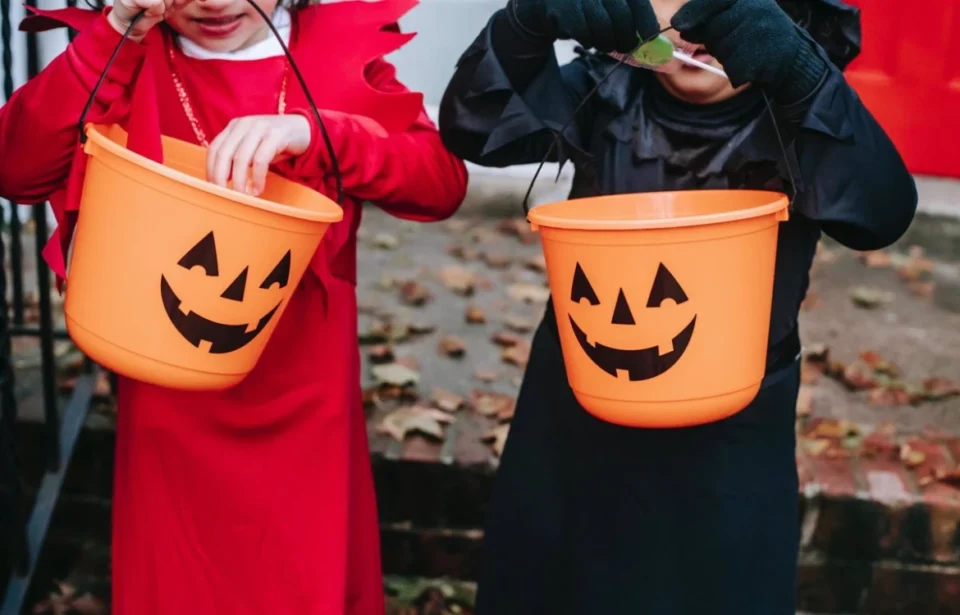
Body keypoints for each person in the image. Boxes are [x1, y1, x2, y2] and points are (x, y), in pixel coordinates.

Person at [439, 0, 916, 613]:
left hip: (730, 437)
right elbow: (475, 126)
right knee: (553, 582)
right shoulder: (602, 90)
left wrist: (805, 77)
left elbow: (881, 212)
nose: (696, 25)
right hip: (579, 404)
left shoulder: (800, 112)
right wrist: (525, 22)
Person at [0, 0, 467, 611]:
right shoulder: (127, 51)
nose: (215, 1)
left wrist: (320, 132)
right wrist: (110, 40)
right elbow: (18, 169)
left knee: (302, 578)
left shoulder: (336, 53)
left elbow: (439, 183)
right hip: (169, 399)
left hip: (305, 395)